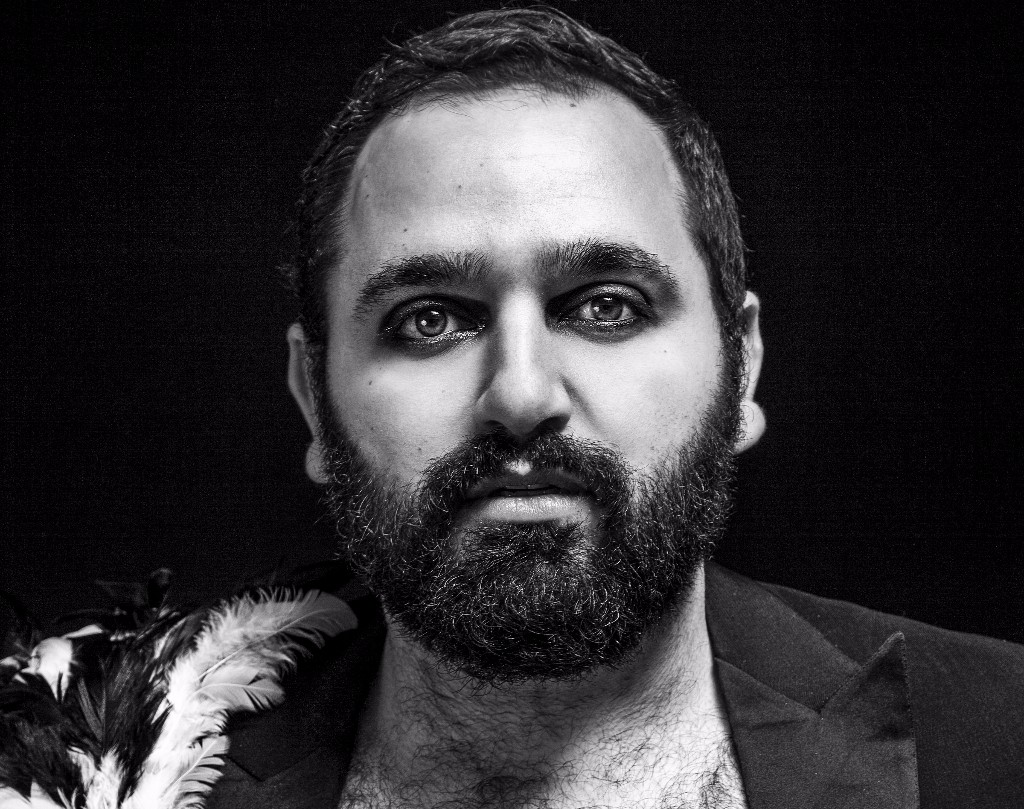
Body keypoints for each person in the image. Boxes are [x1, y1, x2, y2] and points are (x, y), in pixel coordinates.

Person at [1, 7, 1021, 809]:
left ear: (742, 366)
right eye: (430, 319)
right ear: (314, 394)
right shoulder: (87, 763)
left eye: (607, 305)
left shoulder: (1001, 740)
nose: (523, 394)